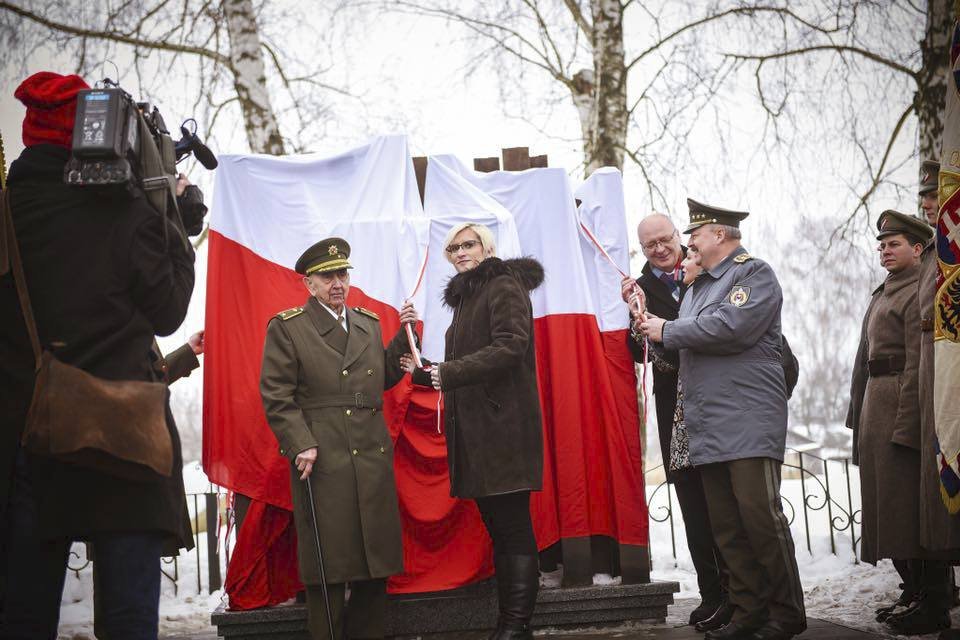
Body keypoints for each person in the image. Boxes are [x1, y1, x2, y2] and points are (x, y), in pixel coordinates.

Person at [0, 71, 196, 637]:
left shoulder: (10, 213)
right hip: (123, 434)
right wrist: (171, 221)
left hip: (32, 436)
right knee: (129, 617)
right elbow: (168, 308)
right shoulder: (126, 210)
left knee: (25, 613)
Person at [640, 199, 805, 640]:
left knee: (759, 520)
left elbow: (732, 327)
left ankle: (785, 613)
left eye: (695, 234)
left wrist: (668, 330)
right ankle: (748, 612)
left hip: (747, 419)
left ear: (720, 235)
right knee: (727, 528)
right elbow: (683, 347)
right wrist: (652, 330)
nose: (688, 242)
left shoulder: (753, 274)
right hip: (707, 423)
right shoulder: (696, 288)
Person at [259, 237, 416, 640]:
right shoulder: (289, 327)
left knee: (373, 562)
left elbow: (377, 379)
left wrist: (404, 338)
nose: (337, 283)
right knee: (328, 564)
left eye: (343, 275)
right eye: (328, 276)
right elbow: (276, 394)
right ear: (309, 284)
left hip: (370, 453)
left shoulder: (367, 322)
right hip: (322, 455)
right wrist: (300, 442)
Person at [408, 222, 544, 640]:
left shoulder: (502, 284)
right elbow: (469, 361)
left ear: (487, 248)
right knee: (500, 528)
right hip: (481, 431)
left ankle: (515, 626)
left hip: (504, 430)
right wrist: (423, 368)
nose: (460, 252)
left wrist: (446, 373)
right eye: (453, 248)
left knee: (512, 527)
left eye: (469, 244)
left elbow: (509, 346)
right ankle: (511, 623)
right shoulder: (468, 298)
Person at [847, 209, 951, 635]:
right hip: (876, 404)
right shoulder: (882, 291)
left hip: (901, 408)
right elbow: (862, 360)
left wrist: (907, 427)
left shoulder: (918, 291)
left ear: (918, 248)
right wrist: (856, 415)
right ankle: (913, 591)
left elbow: (917, 362)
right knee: (886, 510)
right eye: (882, 245)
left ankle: (934, 599)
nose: (885, 251)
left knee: (912, 512)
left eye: (894, 244)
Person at [620, 215, 727, 628]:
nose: (660, 249)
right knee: (692, 504)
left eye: (665, 240)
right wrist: (634, 321)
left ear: (679, 238)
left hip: (716, 401)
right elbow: (636, 351)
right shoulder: (638, 290)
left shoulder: (704, 271)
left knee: (724, 503)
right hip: (674, 409)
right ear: (642, 249)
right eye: (650, 245)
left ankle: (740, 593)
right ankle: (712, 593)